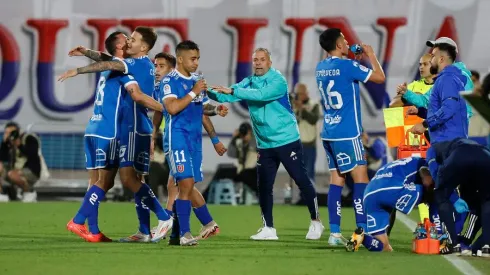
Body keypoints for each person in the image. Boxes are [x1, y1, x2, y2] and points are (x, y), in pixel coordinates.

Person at [58, 28, 173, 242]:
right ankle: (146, 227)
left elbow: (117, 69)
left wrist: (79, 70)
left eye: (133, 39)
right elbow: (110, 60)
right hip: (123, 129)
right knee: (125, 180)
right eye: (127, 39)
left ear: (144, 47)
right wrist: (88, 53)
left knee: (120, 180)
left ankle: (157, 221)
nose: (129, 41)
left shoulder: (128, 67)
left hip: (127, 129)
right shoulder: (136, 66)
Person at [209, 48, 322, 241]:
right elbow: (226, 96)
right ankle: (268, 228)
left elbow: (260, 95)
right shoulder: (249, 81)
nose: (258, 63)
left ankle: (316, 221)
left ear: (269, 62)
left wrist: (233, 90)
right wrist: (205, 90)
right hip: (265, 144)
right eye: (255, 60)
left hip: (286, 140)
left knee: (301, 180)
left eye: (262, 60)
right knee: (264, 186)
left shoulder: (278, 81)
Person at [148, 51, 228, 243]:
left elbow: (202, 109)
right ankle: (182, 230)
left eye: (161, 66)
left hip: (194, 142)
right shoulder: (168, 83)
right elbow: (171, 108)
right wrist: (152, 136)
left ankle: (179, 230)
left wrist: (216, 110)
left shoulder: (196, 80)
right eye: (193, 58)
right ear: (181, 59)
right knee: (182, 184)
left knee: (184, 185)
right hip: (177, 139)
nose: (157, 70)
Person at [314, 28, 385, 245]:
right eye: (344, 41)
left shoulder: (320, 67)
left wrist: (352, 57)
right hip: (348, 132)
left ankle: (334, 234)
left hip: (328, 132)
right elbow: (379, 78)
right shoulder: (347, 66)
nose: (347, 43)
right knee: (360, 179)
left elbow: (341, 75)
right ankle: (362, 231)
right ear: (338, 45)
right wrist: (370, 55)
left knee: (336, 180)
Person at [409, 37, 470, 254]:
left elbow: (450, 108)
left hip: (445, 143)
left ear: (442, 58)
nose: (431, 57)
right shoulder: (454, 79)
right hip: (454, 141)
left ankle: (452, 239)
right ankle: (457, 238)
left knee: (442, 193)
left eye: (433, 55)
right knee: (453, 193)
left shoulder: (446, 80)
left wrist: (425, 123)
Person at [345, 156, 467, 252]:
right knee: (434, 193)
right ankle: (437, 237)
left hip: (369, 194)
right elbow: (427, 180)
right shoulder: (426, 163)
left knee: (384, 247)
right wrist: (451, 197)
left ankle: (362, 237)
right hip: (391, 188)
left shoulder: (405, 162)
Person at [426, 138, 490, 256]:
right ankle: (486, 246)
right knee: (486, 199)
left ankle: (453, 244)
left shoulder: (432, 149)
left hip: (460, 156)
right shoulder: (472, 142)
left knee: (441, 196)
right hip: (485, 157)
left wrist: (450, 195)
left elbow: (435, 172)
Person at [0, 122, 42, 202]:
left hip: (31, 171)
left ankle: (29, 192)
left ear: (18, 131)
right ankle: (2, 194)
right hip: (13, 170)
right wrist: (4, 144)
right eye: (6, 133)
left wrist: (19, 145)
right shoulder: (8, 142)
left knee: (12, 174)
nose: (9, 135)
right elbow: (2, 158)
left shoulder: (29, 138)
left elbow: (32, 155)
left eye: (11, 133)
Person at [293, 83, 320, 184]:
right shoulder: (293, 106)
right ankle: (302, 197)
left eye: (300, 93)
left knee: (309, 172)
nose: (299, 96)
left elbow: (313, 119)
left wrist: (302, 109)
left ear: (306, 93)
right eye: (297, 94)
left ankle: (310, 198)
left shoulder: (313, 104)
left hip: (309, 145)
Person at [227, 122, 258, 195]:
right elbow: (231, 154)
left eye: (245, 134)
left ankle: (260, 194)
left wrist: (252, 135)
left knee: (247, 174)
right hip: (243, 172)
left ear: (250, 132)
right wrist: (233, 138)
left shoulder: (256, 141)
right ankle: (204, 197)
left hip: (254, 171)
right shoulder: (239, 143)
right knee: (221, 172)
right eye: (242, 135)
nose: (243, 137)